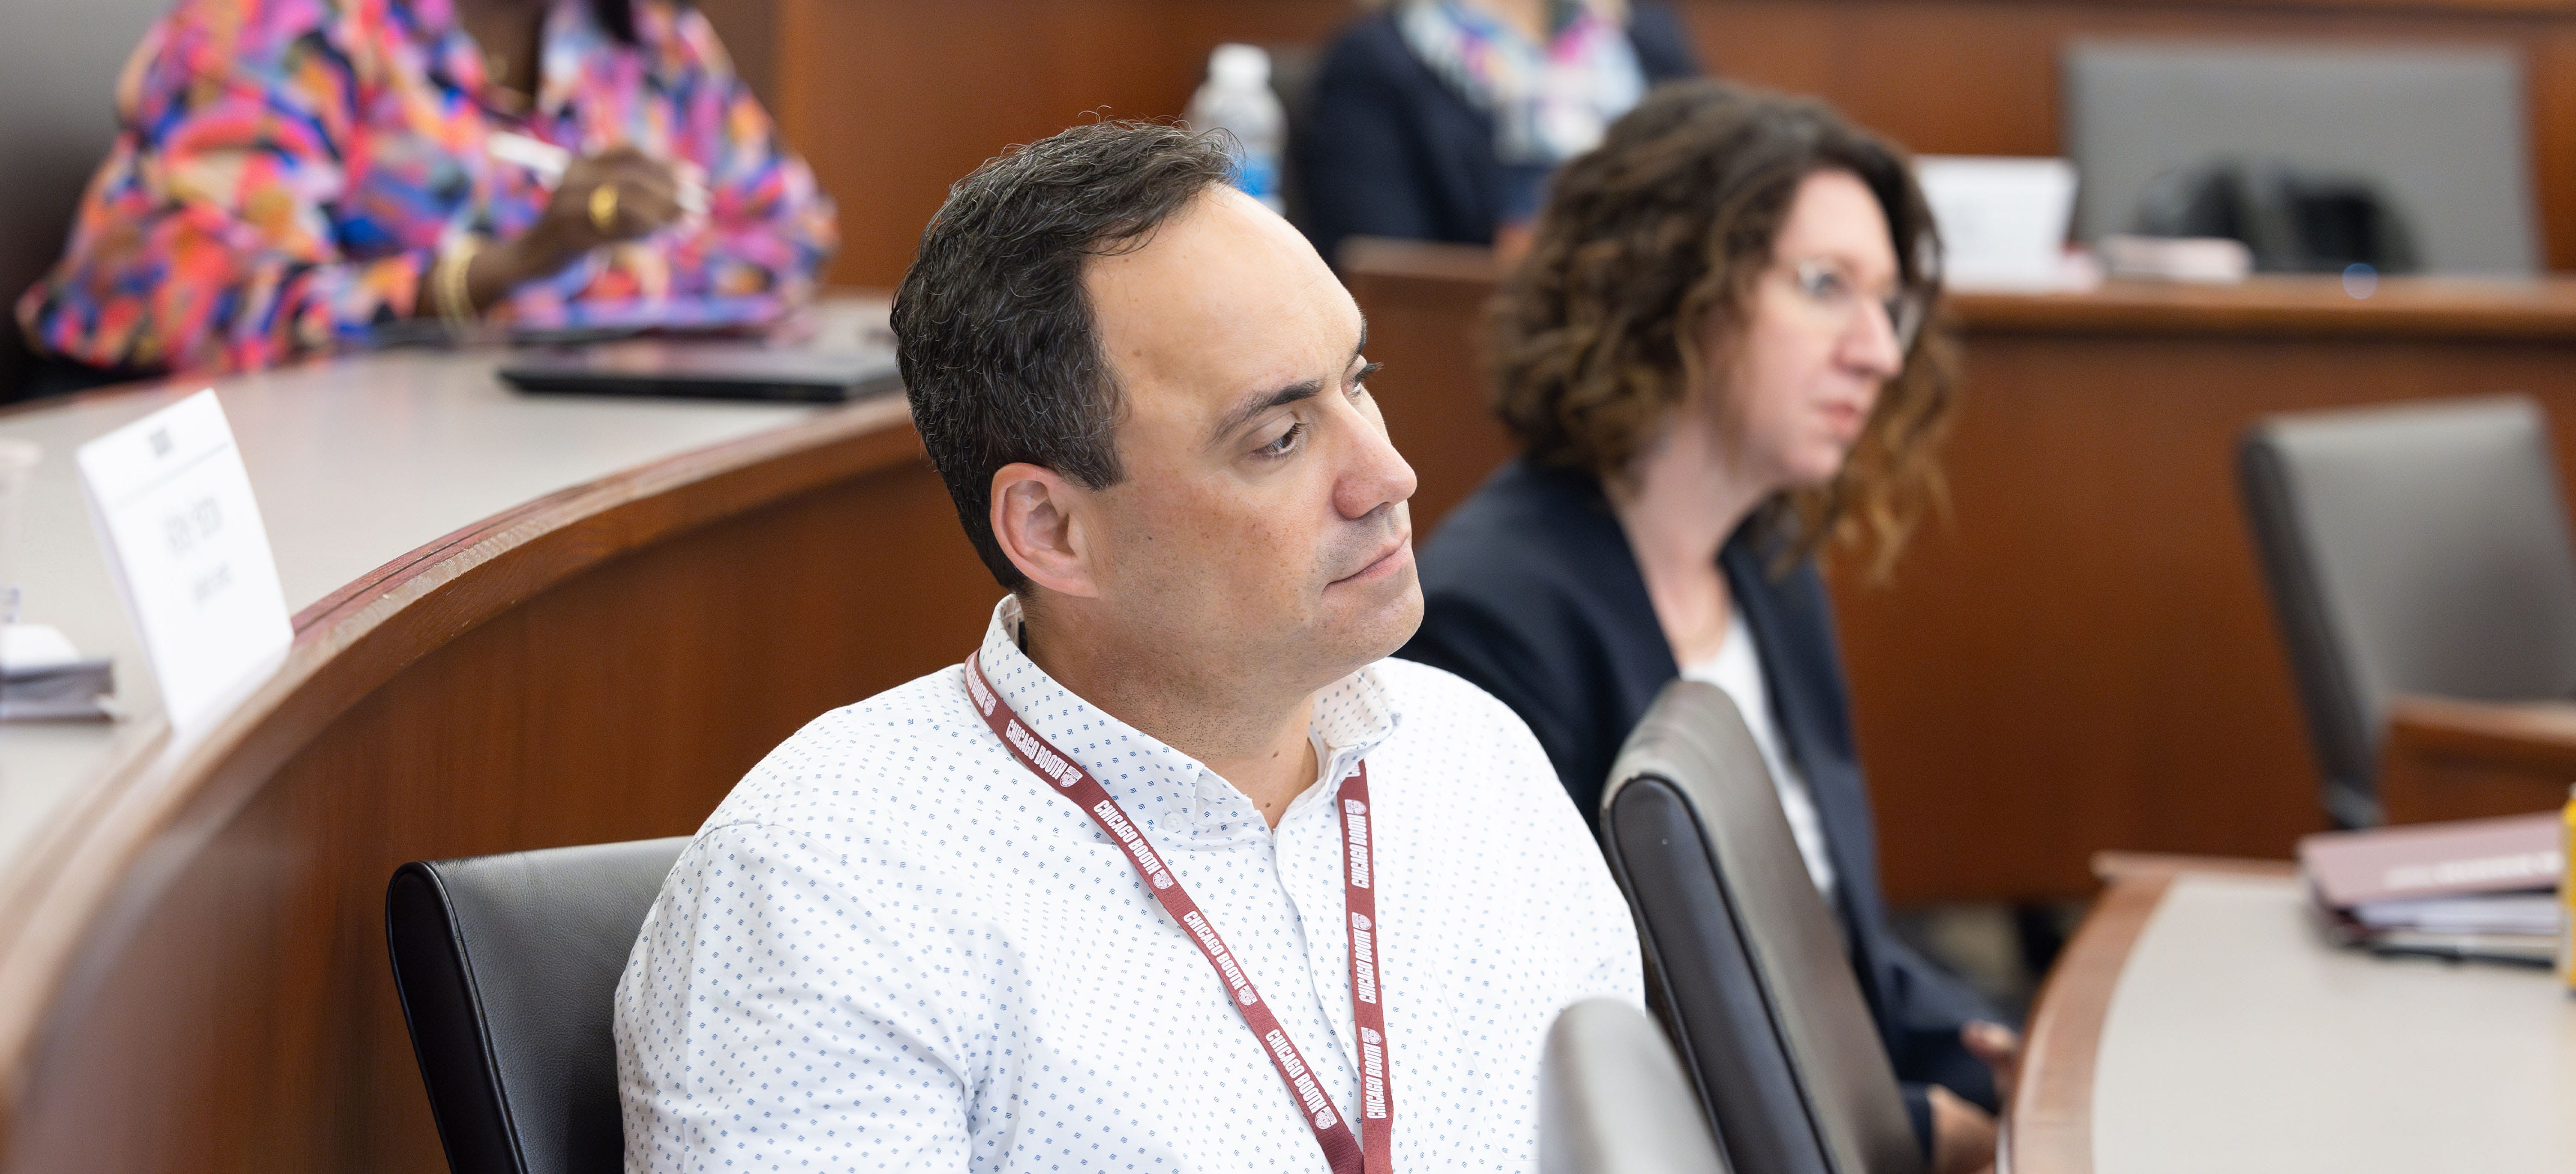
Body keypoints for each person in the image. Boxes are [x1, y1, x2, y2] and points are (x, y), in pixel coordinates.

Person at [612, 121, 1641, 1172]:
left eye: (1358, 380)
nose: (1388, 474)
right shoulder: (829, 887)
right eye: (1279, 438)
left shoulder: (1476, 755)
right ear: (1053, 530)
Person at [1397, 81, 2013, 1173]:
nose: (1877, 349)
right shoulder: (1488, 616)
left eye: (1890, 304)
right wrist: (1912, 1130)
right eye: (1826, 288)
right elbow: (1592, 1036)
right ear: (1670, 287)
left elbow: (1821, 927)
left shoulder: (1767, 564)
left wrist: (1979, 1054)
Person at [15, 0, 833, 383]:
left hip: (522, 447)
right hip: (232, 463)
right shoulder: (286, 23)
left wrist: (580, 277)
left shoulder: (645, 34)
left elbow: (790, 232)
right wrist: (497, 271)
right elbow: (204, 305)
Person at [1297, 0, 1695, 263]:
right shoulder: (1376, 60)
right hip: (1478, 340)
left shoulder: (1644, 34)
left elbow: (1707, 183)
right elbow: (1381, 268)